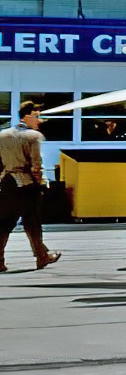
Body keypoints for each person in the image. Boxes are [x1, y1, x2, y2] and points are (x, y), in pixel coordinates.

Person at [0, 101, 62, 272]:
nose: (39, 121)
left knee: (4, 223)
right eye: (36, 116)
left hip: (7, 182)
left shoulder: (2, 135)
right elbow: (36, 164)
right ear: (26, 116)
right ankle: (41, 257)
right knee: (32, 222)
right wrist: (42, 184)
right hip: (27, 184)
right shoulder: (34, 136)